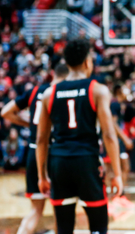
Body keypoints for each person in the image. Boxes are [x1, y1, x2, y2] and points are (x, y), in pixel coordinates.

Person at [35, 39, 123, 234]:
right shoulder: (97, 90)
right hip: (86, 162)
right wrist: (116, 174)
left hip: (59, 163)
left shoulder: (50, 94)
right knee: (98, 227)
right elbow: (109, 135)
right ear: (87, 62)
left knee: (64, 229)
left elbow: (41, 139)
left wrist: (42, 175)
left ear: (66, 63)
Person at [0, 63, 69, 234]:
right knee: (59, 212)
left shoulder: (35, 91)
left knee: (35, 211)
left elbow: (5, 112)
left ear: (52, 74)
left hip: (33, 153)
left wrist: (29, 124)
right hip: (55, 153)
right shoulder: (65, 92)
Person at [108, 85, 135, 210]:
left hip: (118, 141)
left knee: (124, 167)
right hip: (116, 141)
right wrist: (125, 138)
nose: (127, 91)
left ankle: (119, 195)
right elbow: (112, 124)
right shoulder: (115, 105)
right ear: (119, 91)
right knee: (121, 167)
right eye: (125, 89)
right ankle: (116, 196)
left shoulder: (120, 105)